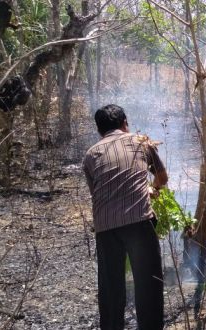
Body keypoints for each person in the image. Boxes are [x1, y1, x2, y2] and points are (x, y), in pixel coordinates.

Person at [83, 104, 167, 329]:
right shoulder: (140, 141)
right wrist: (153, 189)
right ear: (125, 123)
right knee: (148, 283)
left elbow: (97, 194)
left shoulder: (90, 155)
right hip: (139, 222)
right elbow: (161, 176)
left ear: (99, 131)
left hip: (105, 225)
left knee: (111, 289)